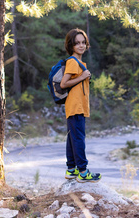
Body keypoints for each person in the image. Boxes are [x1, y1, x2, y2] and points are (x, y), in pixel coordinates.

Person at [60, 28, 101, 183]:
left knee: (72, 138)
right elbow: (64, 83)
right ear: (71, 45)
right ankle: (83, 172)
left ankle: (71, 169)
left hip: (76, 107)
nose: (81, 46)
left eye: (83, 42)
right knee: (78, 139)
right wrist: (83, 76)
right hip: (75, 107)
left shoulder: (77, 62)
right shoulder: (72, 62)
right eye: (77, 43)